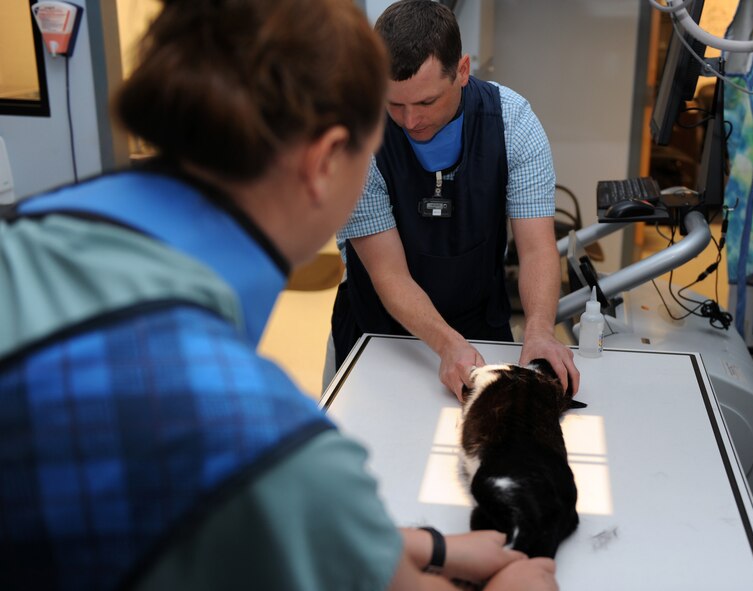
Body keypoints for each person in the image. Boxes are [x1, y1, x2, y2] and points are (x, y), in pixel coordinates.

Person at [0, 0, 558, 589]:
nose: (404, 126)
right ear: (324, 163)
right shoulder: (256, 433)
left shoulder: (30, 237)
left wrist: (428, 545)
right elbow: (282, 495)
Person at [330, 0, 579, 399]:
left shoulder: (513, 125)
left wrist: (539, 331)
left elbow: (536, 250)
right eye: (394, 104)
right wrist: (446, 344)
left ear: (462, 71)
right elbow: (389, 274)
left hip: (480, 326)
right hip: (379, 334)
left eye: (426, 102)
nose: (410, 121)